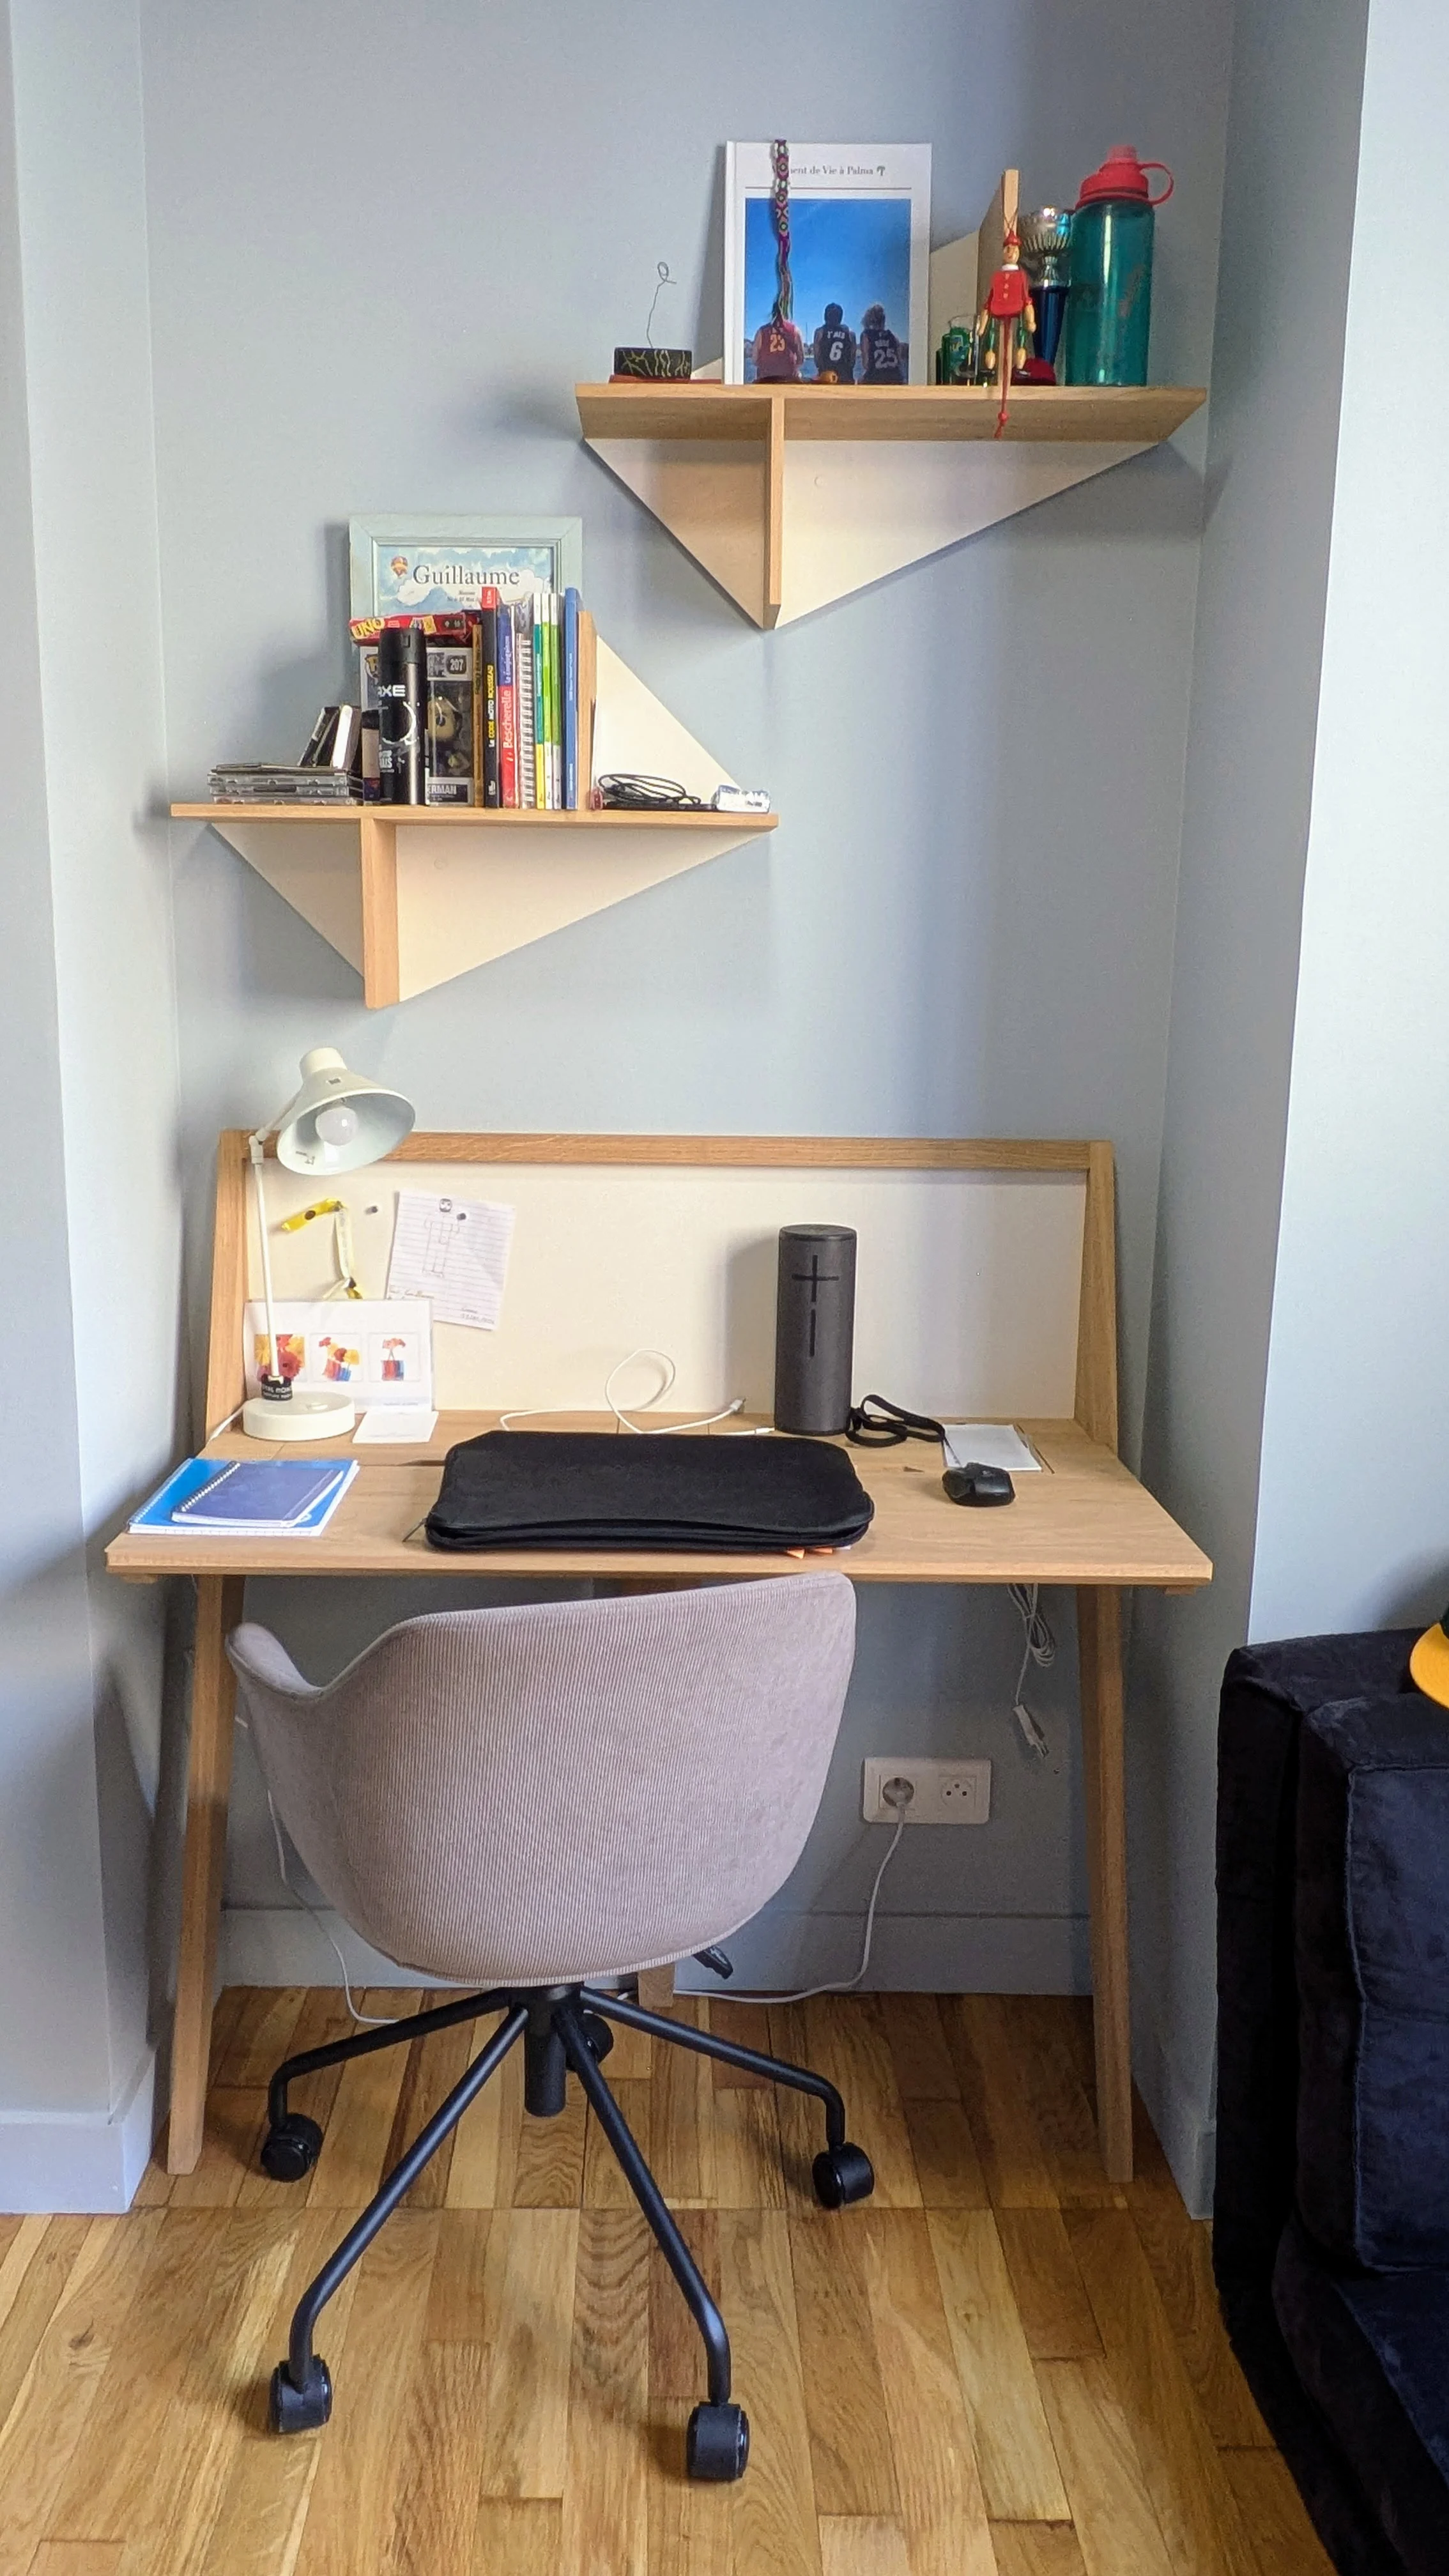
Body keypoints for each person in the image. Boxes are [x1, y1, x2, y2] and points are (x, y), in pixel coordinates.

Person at [749, 303, 804, 381]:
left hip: (766, 379)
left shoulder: (762, 332)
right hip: (788, 379)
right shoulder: (795, 330)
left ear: (772, 313)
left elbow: (754, 360)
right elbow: (801, 359)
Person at [859, 303, 905, 385]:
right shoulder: (893, 337)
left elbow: (866, 364)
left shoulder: (866, 336)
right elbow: (899, 362)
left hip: (876, 378)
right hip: (896, 379)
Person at [811, 301, 857, 383]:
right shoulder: (850, 333)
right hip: (846, 377)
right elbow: (852, 360)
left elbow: (817, 360)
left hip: (826, 377)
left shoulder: (820, 332)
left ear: (826, 316)